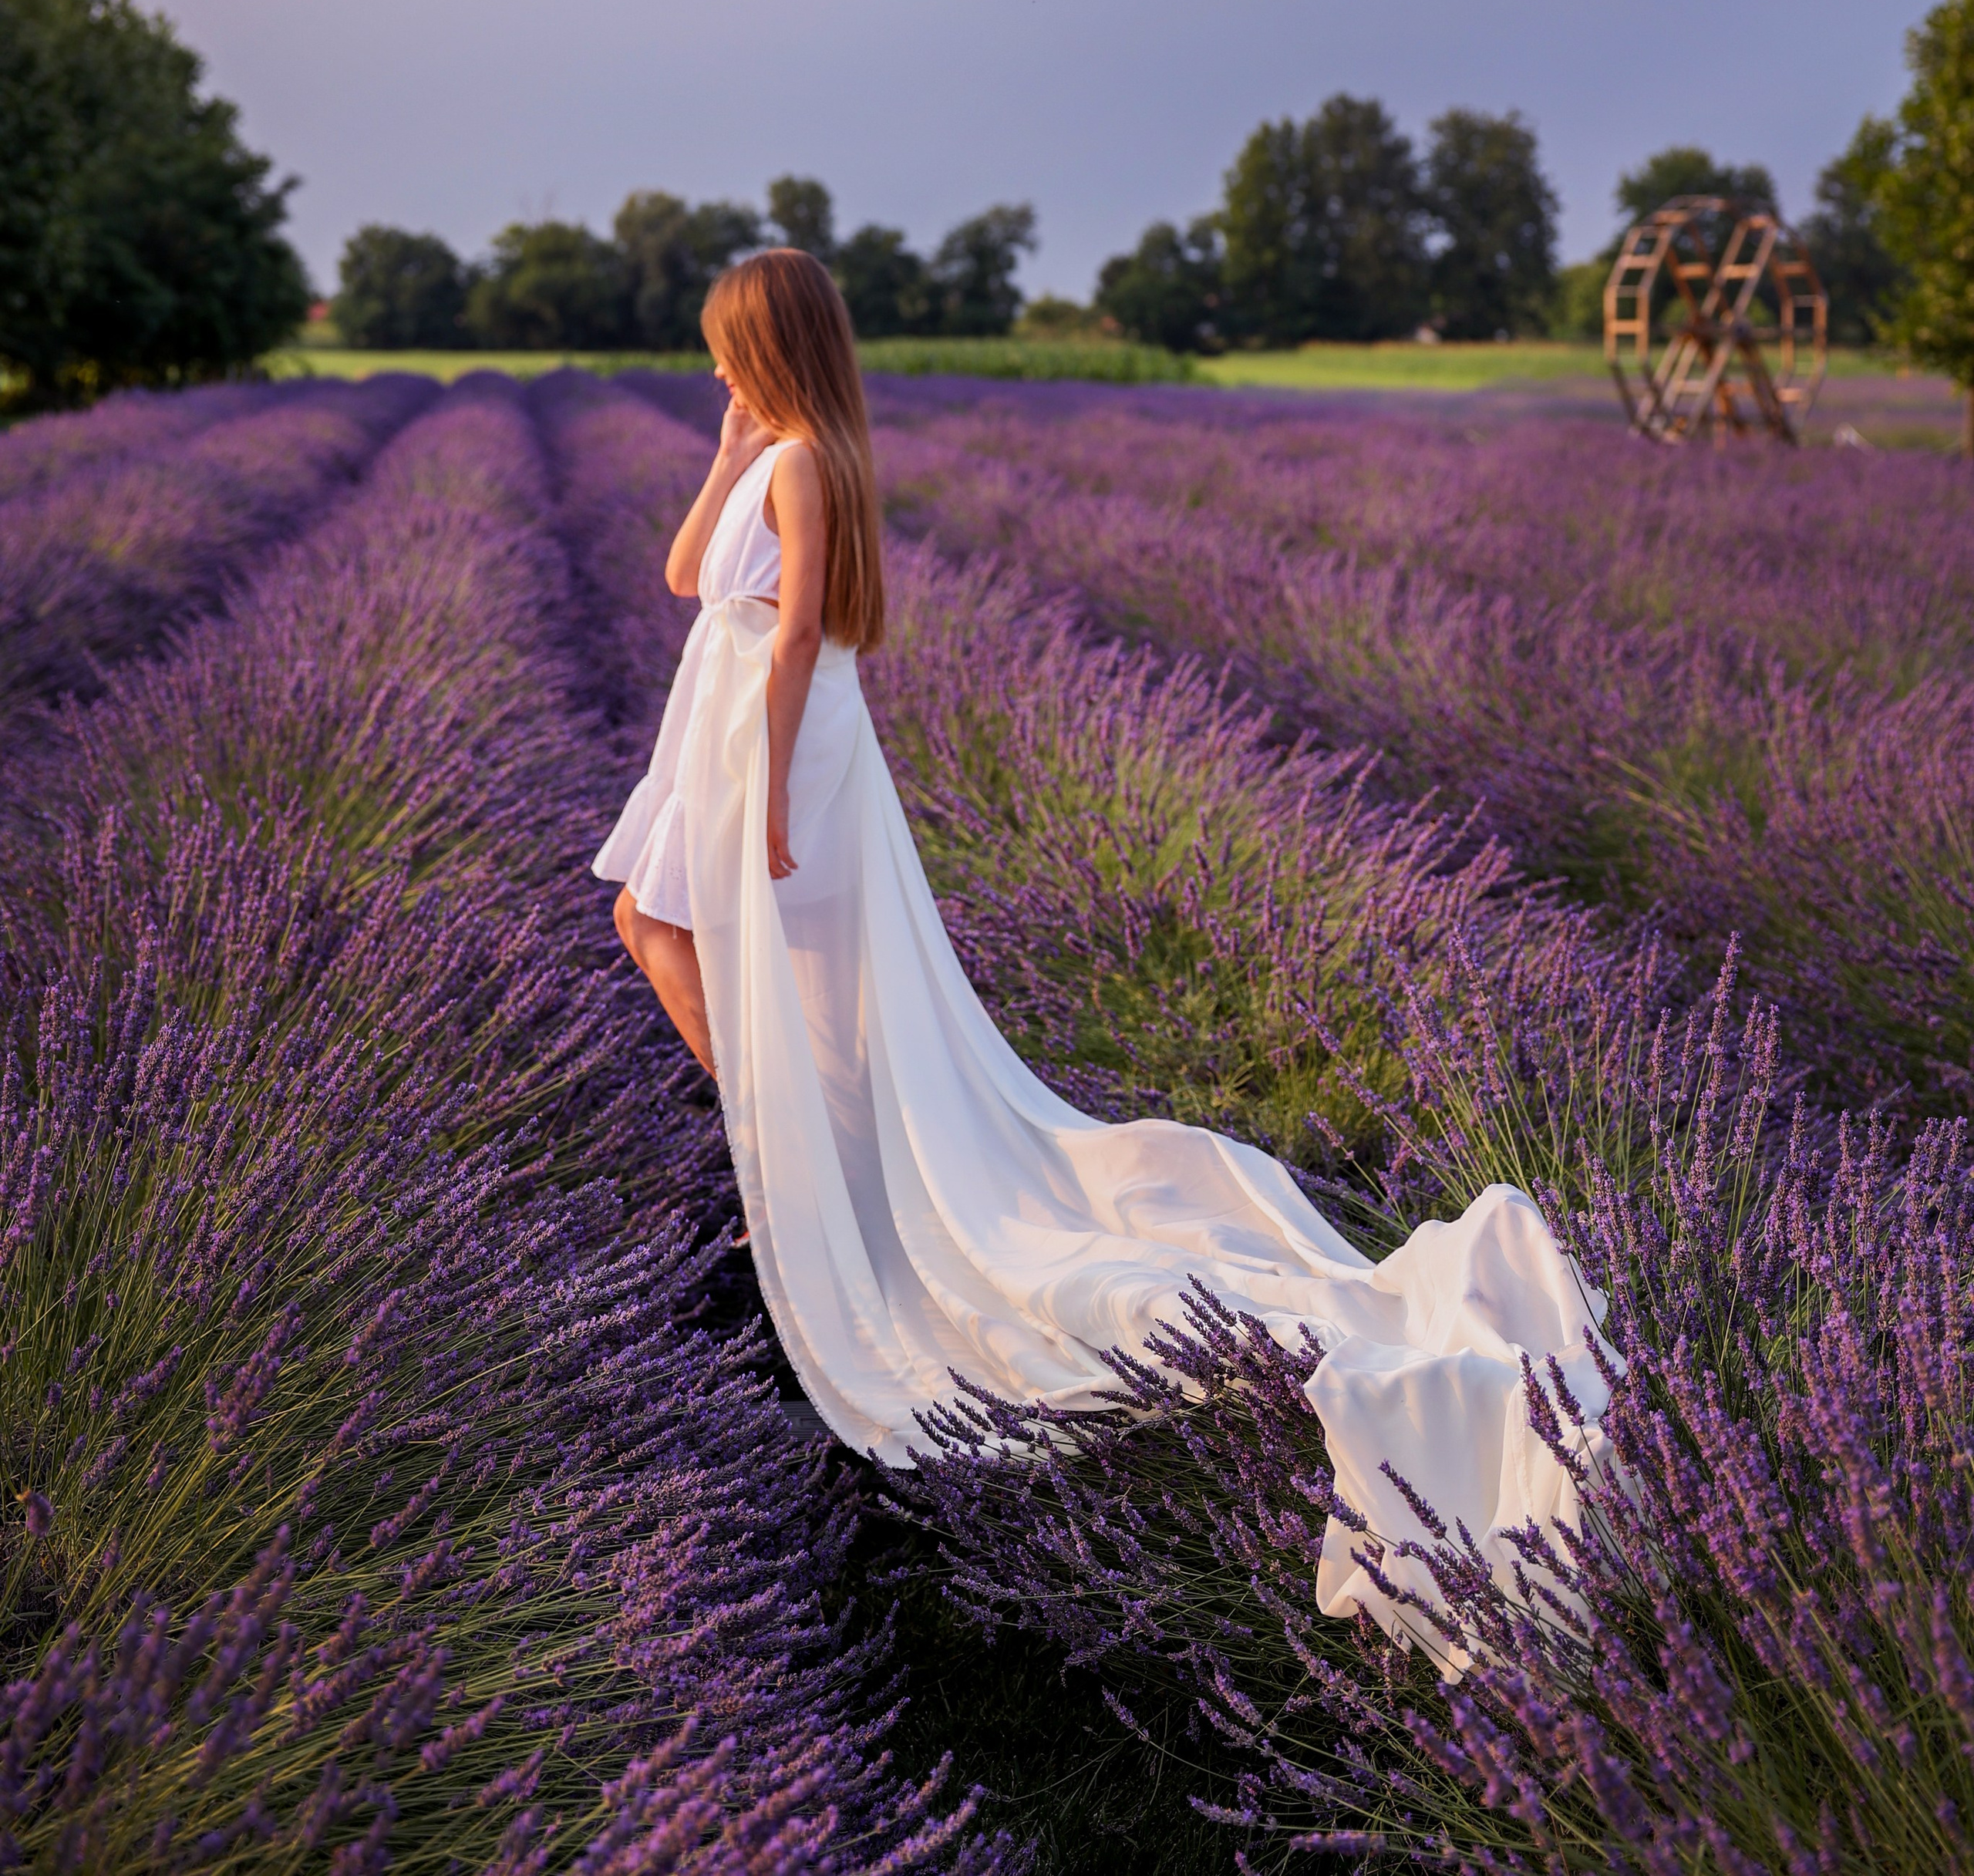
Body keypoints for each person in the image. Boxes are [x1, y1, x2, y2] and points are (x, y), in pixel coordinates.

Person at [596, 248, 1612, 1654]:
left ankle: (803, 1142)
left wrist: (764, 798)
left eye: (727, 352)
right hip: (728, 736)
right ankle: (802, 1136)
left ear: (773, 347)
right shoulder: (778, 454)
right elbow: (680, 582)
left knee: (723, 960)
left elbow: (793, 646)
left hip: (774, 752)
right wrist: (722, 449)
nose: (712, 368)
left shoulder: (812, 468)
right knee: (669, 935)